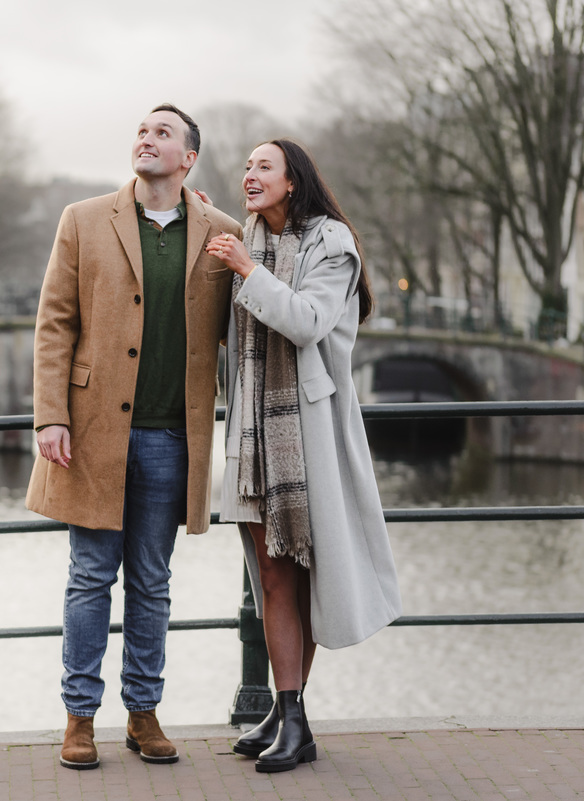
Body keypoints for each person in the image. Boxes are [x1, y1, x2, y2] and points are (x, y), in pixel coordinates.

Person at [26, 103, 241, 770]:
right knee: (89, 578)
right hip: (92, 434)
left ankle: (143, 712)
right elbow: (55, 324)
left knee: (152, 581)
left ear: (188, 159)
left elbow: (250, 320)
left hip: (173, 438)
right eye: (142, 130)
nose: (147, 139)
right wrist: (50, 415)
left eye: (163, 133)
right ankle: (79, 718)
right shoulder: (83, 220)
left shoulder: (222, 233)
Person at [205, 138, 402, 773]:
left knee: (304, 568)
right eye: (247, 167)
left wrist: (244, 268)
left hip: (309, 434)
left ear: (294, 180)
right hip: (256, 434)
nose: (250, 175)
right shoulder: (251, 240)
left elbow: (310, 321)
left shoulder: (331, 245)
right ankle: (284, 713)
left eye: (264, 166)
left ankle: (295, 721)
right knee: (271, 575)